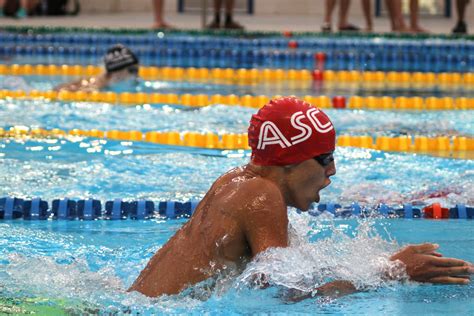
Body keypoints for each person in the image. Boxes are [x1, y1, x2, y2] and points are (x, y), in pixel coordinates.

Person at [129, 97, 473, 298]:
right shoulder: (261, 195)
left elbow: (280, 278)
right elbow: (284, 298)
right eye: (324, 158)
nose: (333, 170)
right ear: (290, 161)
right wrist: (394, 271)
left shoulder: (237, 181)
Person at [54, 44, 139, 92]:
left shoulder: (103, 84)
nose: (136, 76)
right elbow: (58, 90)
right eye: (133, 70)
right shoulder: (90, 88)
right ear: (115, 73)